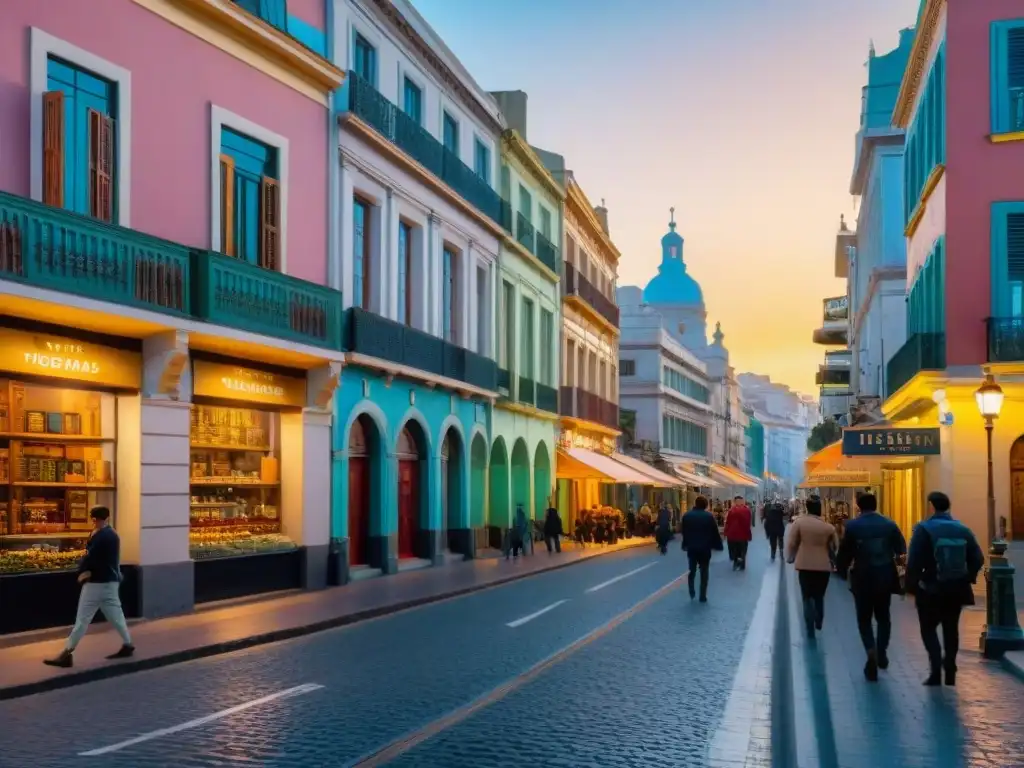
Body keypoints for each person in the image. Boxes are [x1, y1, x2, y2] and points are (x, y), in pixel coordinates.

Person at [905, 491, 983, 686]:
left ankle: (935, 670)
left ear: (931, 505)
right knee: (951, 628)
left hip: (931, 588)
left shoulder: (924, 529)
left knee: (928, 628)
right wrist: (967, 577)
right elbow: (978, 558)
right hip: (957, 589)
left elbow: (913, 561)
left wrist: (910, 586)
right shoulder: (963, 529)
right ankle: (950, 667)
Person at [44, 507, 134, 668]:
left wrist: (81, 571)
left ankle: (67, 653)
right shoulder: (112, 534)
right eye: (93, 519)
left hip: (96, 583)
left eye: (95, 518)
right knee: (116, 615)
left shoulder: (102, 536)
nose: (94, 521)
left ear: (101, 519)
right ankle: (128, 644)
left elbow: (90, 557)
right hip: (110, 582)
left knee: (82, 619)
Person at [835, 493, 907, 682]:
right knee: (884, 617)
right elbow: (901, 550)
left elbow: (844, 553)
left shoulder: (852, 526)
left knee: (864, 618)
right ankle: (882, 650)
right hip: (884, 576)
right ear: (876, 505)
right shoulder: (890, 524)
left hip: (862, 577)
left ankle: (870, 650)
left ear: (858, 506)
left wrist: (840, 570)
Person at [786, 495, 839, 639]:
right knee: (819, 595)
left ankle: (809, 622)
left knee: (806, 595)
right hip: (823, 566)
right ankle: (819, 619)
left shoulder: (799, 523)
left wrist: (790, 557)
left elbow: (792, 542)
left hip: (804, 565)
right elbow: (835, 546)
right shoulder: (828, 527)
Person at [681, 495, 724, 602]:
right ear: (705, 505)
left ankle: (691, 590)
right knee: (704, 571)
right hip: (705, 548)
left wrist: (685, 544)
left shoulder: (687, 516)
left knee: (692, 570)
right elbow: (715, 532)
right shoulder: (709, 516)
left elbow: (684, 532)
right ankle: (702, 595)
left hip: (692, 548)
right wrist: (718, 545)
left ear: (695, 504)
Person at [724, 495, 753, 571]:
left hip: (733, 535)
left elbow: (728, 522)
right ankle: (741, 563)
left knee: (735, 550)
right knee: (742, 550)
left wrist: (726, 532)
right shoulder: (747, 510)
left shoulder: (731, 510)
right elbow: (749, 523)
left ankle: (736, 562)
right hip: (743, 535)